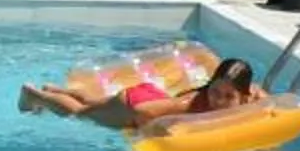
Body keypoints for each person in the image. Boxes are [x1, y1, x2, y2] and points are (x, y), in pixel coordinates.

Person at [19, 56, 264, 135]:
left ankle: (57, 89)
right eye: (214, 92)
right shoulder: (189, 102)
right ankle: (35, 95)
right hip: (137, 104)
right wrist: (150, 134)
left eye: (228, 96)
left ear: (243, 94)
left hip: (151, 94)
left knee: (93, 102)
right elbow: (143, 112)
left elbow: (267, 99)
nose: (218, 101)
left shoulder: (252, 94)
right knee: (79, 114)